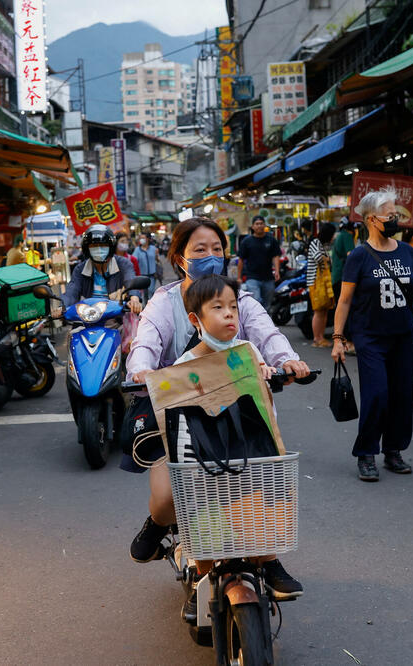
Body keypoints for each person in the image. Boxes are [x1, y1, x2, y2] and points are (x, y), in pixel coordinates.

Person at [124, 217, 309, 596]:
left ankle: (266, 556)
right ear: (179, 257)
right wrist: (142, 371)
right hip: (177, 414)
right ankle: (161, 526)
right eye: (200, 250)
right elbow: (145, 342)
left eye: (217, 249)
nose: (211, 256)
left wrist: (288, 361)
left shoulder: (238, 299)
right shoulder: (165, 301)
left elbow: (268, 336)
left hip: (237, 412)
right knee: (165, 499)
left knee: (260, 483)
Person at [332, 190, 413, 481]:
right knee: (377, 394)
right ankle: (366, 453)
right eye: (390, 216)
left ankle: (393, 451)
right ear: (372, 220)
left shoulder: (406, 252)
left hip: (403, 334)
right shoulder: (358, 257)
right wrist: (338, 339)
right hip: (370, 337)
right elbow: (345, 301)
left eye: (396, 215)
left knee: (401, 397)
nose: (395, 220)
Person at [64, 224, 142, 313]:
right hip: (86, 319)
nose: (99, 249)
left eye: (103, 245)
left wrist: (134, 299)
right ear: (87, 249)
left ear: (111, 247)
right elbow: (71, 291)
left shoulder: (123, 263)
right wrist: (62, 306)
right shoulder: (80, 269)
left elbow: (130, 281)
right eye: (93, 246)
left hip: (117, 320)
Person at [237, 215, 281, 309]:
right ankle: (256, 322)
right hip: (252, 278)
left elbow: (276, 256)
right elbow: (241, 260)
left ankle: (265, 322)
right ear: (252, 226)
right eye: (257, 224)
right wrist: (239, 277)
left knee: (267, 304)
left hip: (268, 278)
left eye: (261, 223)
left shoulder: (271, 240)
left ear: (264, 225)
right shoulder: (246, 241)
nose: (259, 226)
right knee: (256, 301)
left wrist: (277, 271)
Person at [306, 223, 337, 347]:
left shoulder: (322, 245)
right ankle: (316, 339)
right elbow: (319, 258)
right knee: (318, 310)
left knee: (324, 310)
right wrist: (329, 258)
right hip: (315, 282)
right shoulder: (315, 242)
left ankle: (321, 337)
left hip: (322, 282)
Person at [132, 233, 160, 300]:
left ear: (148, 239)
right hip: (141, 276)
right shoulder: (137, 250)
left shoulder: (153, 249)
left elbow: (157, 260)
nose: (141, 240)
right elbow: (133, 261)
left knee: (151, 292)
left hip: (152, 276)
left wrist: (157, 256)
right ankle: (144, 308)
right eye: (140, 238)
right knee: (143, 295)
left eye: (143, 238)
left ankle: (151, 308)